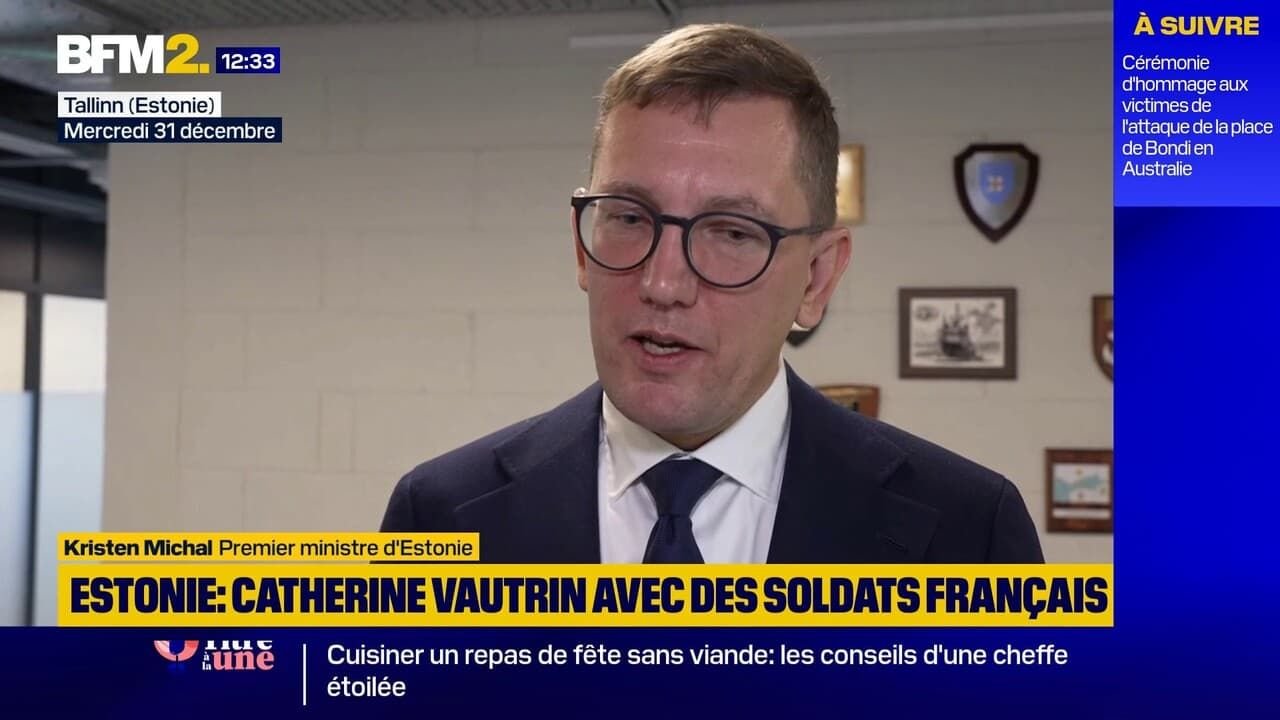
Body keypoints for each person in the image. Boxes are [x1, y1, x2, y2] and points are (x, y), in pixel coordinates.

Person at [380, 23, 1043, 563]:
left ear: (817, 278)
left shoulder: (969, 532)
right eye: (630, 218)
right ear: (582, 247)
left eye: (731, 232)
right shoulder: (436, 516)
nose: (662, 284)